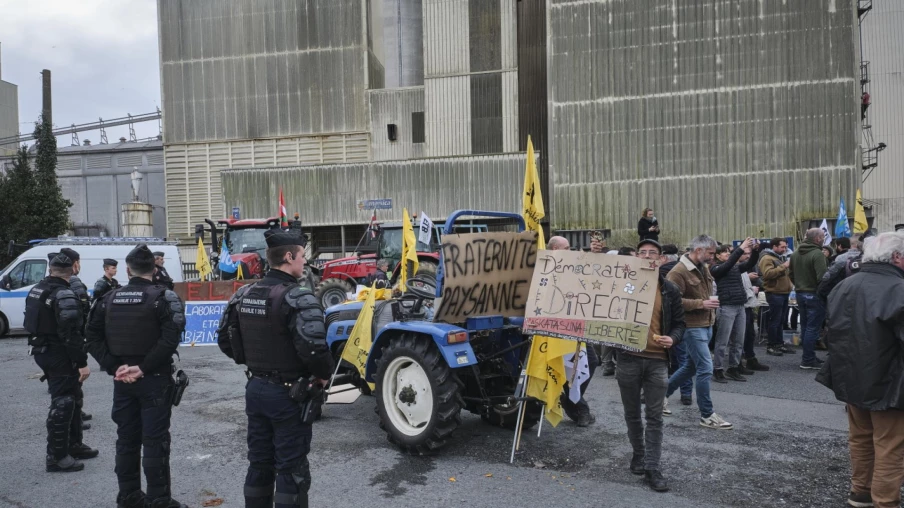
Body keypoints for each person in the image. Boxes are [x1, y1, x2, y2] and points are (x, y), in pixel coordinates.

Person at [217, 230, 335, 508]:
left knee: (259, 462)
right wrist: (322, 375)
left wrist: (253, 363)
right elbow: (315, 350)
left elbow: (224, 339)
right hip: (289, 395)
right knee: (291, 468)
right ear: (288, 256)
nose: (305, 262)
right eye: (302, 256)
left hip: (256, 389)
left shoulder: (244, 294)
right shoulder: (299, 297)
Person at [85, 245, 188, 508]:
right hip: (152, 379)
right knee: (155, 441)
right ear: (154, 270)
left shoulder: (108, 298)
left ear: (128, 269)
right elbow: (170, 339)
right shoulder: (164, 298)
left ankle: (129, 495)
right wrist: (141, 368)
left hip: (123, 380)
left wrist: (114, 367)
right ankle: (158, 499)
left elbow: (92, 336)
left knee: (127, 438)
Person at [816, 232, 904, 508]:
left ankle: (861, 492)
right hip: (891, 381)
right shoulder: (899, 289)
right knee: (890, 445)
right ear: (897, 257)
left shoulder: (844, 285)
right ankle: (885, 501)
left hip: (851, 377)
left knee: (861, 439)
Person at [594, 238, 685, 492]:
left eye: (651, 253)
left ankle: (652, 467)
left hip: (657, 360)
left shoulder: (670, 290)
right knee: (632, 413)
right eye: (641, 252)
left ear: (660, 259)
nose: (646, 256)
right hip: (628, 358)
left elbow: (679, 324)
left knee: (654, 416)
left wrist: (673, 338)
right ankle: (639, 453)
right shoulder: (624, 287)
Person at [25, 253, 98, 473]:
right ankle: (56, 456)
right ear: (75, 267)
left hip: (43, 349)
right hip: (58, 353)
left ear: (51, 269)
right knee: (63, 402)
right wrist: (82, 361)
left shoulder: (38, 288)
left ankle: (73, 445)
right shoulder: (64, 294)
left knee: (74, 397)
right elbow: (70, 334)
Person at [665, 235, 732, 430]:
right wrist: (701, 303)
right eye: (711, 253)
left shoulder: (703, 267)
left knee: (691, 367)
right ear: (698, 250)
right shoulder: (678, 271)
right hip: (691, 327)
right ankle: (707, 414)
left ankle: (660, 396)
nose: (714, 256)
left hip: (706, 324)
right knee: (705, 368)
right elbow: (671, 301)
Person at [549, 236, 598, 427]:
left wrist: (594, 256)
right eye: (567, 248)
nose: (570, 251)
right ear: (554, 249)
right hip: (556, 329)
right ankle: (579, 407)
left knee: (590, 361)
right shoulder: (547, 268)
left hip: (575, 326)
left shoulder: (571, 265)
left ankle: (571, 399)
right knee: (568, 367)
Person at [47, 249, 93, 429]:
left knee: (66, 388)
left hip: (49, 347)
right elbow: (72, 324)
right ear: (74, 264)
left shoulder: (43, 286)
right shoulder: (68, 287)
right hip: (64, 348)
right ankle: (71, 423)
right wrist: (81, 357)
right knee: (69, 388)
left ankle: (74, 420)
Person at [709, 239, 759, 382]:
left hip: (740, 306)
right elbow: (729, 263)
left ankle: (733, 367)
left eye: (728, 252)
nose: (727, 254)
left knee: (738, 340)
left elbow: (750, 263)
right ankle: (717, 369)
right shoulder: (715, 268)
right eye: (724, 252)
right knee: (722, 341)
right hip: (726, 307)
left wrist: (755, 250)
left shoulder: (735, 267)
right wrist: (741, 249)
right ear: (717, 256)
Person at [789, 228, 828, 370]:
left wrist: (799, 285)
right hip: (814, 294)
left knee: (806, 327)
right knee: (813, 328)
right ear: (817, 239)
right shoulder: (817, 254)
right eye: (823, 236)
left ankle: (808, 356)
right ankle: (808, 360)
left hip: (800, 293)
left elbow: (791, 274)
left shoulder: (795, 254)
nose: (824, 238)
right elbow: (823, 278)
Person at [758, 238, 795, 357]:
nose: (784, 249)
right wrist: (783, 266)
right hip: (774, 293)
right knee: (775, 320)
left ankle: (779, 343)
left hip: (783, 292)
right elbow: (768, 274)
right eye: (782, 247)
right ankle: (772, 345)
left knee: (781, 320)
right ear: (774, 246)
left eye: (785, 247)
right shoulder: (767, 258)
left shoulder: (777, 257)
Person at [739, 259, 769, 372]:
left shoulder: (750, 265)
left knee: (750, 333)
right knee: (741, 335)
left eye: (749, 255)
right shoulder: (730, 267)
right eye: (745, 254)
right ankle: (738, 363)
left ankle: (750, 358)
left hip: (749, 302)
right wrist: (747, 277)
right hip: (739, 304)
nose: (747, 257)